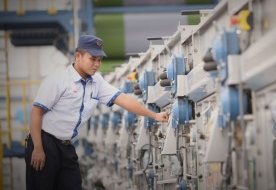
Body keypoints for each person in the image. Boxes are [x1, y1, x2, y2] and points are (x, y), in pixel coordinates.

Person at [25, 35, 169, 190]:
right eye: (92, 59)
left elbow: (125, 100)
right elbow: (36, 112)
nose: (96, 64)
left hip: (66, 145)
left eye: (99, 60)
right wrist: (38, 148)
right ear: (78, 56)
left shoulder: (97, 82)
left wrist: (154, 115)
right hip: (45, 142)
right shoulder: (59, 80)